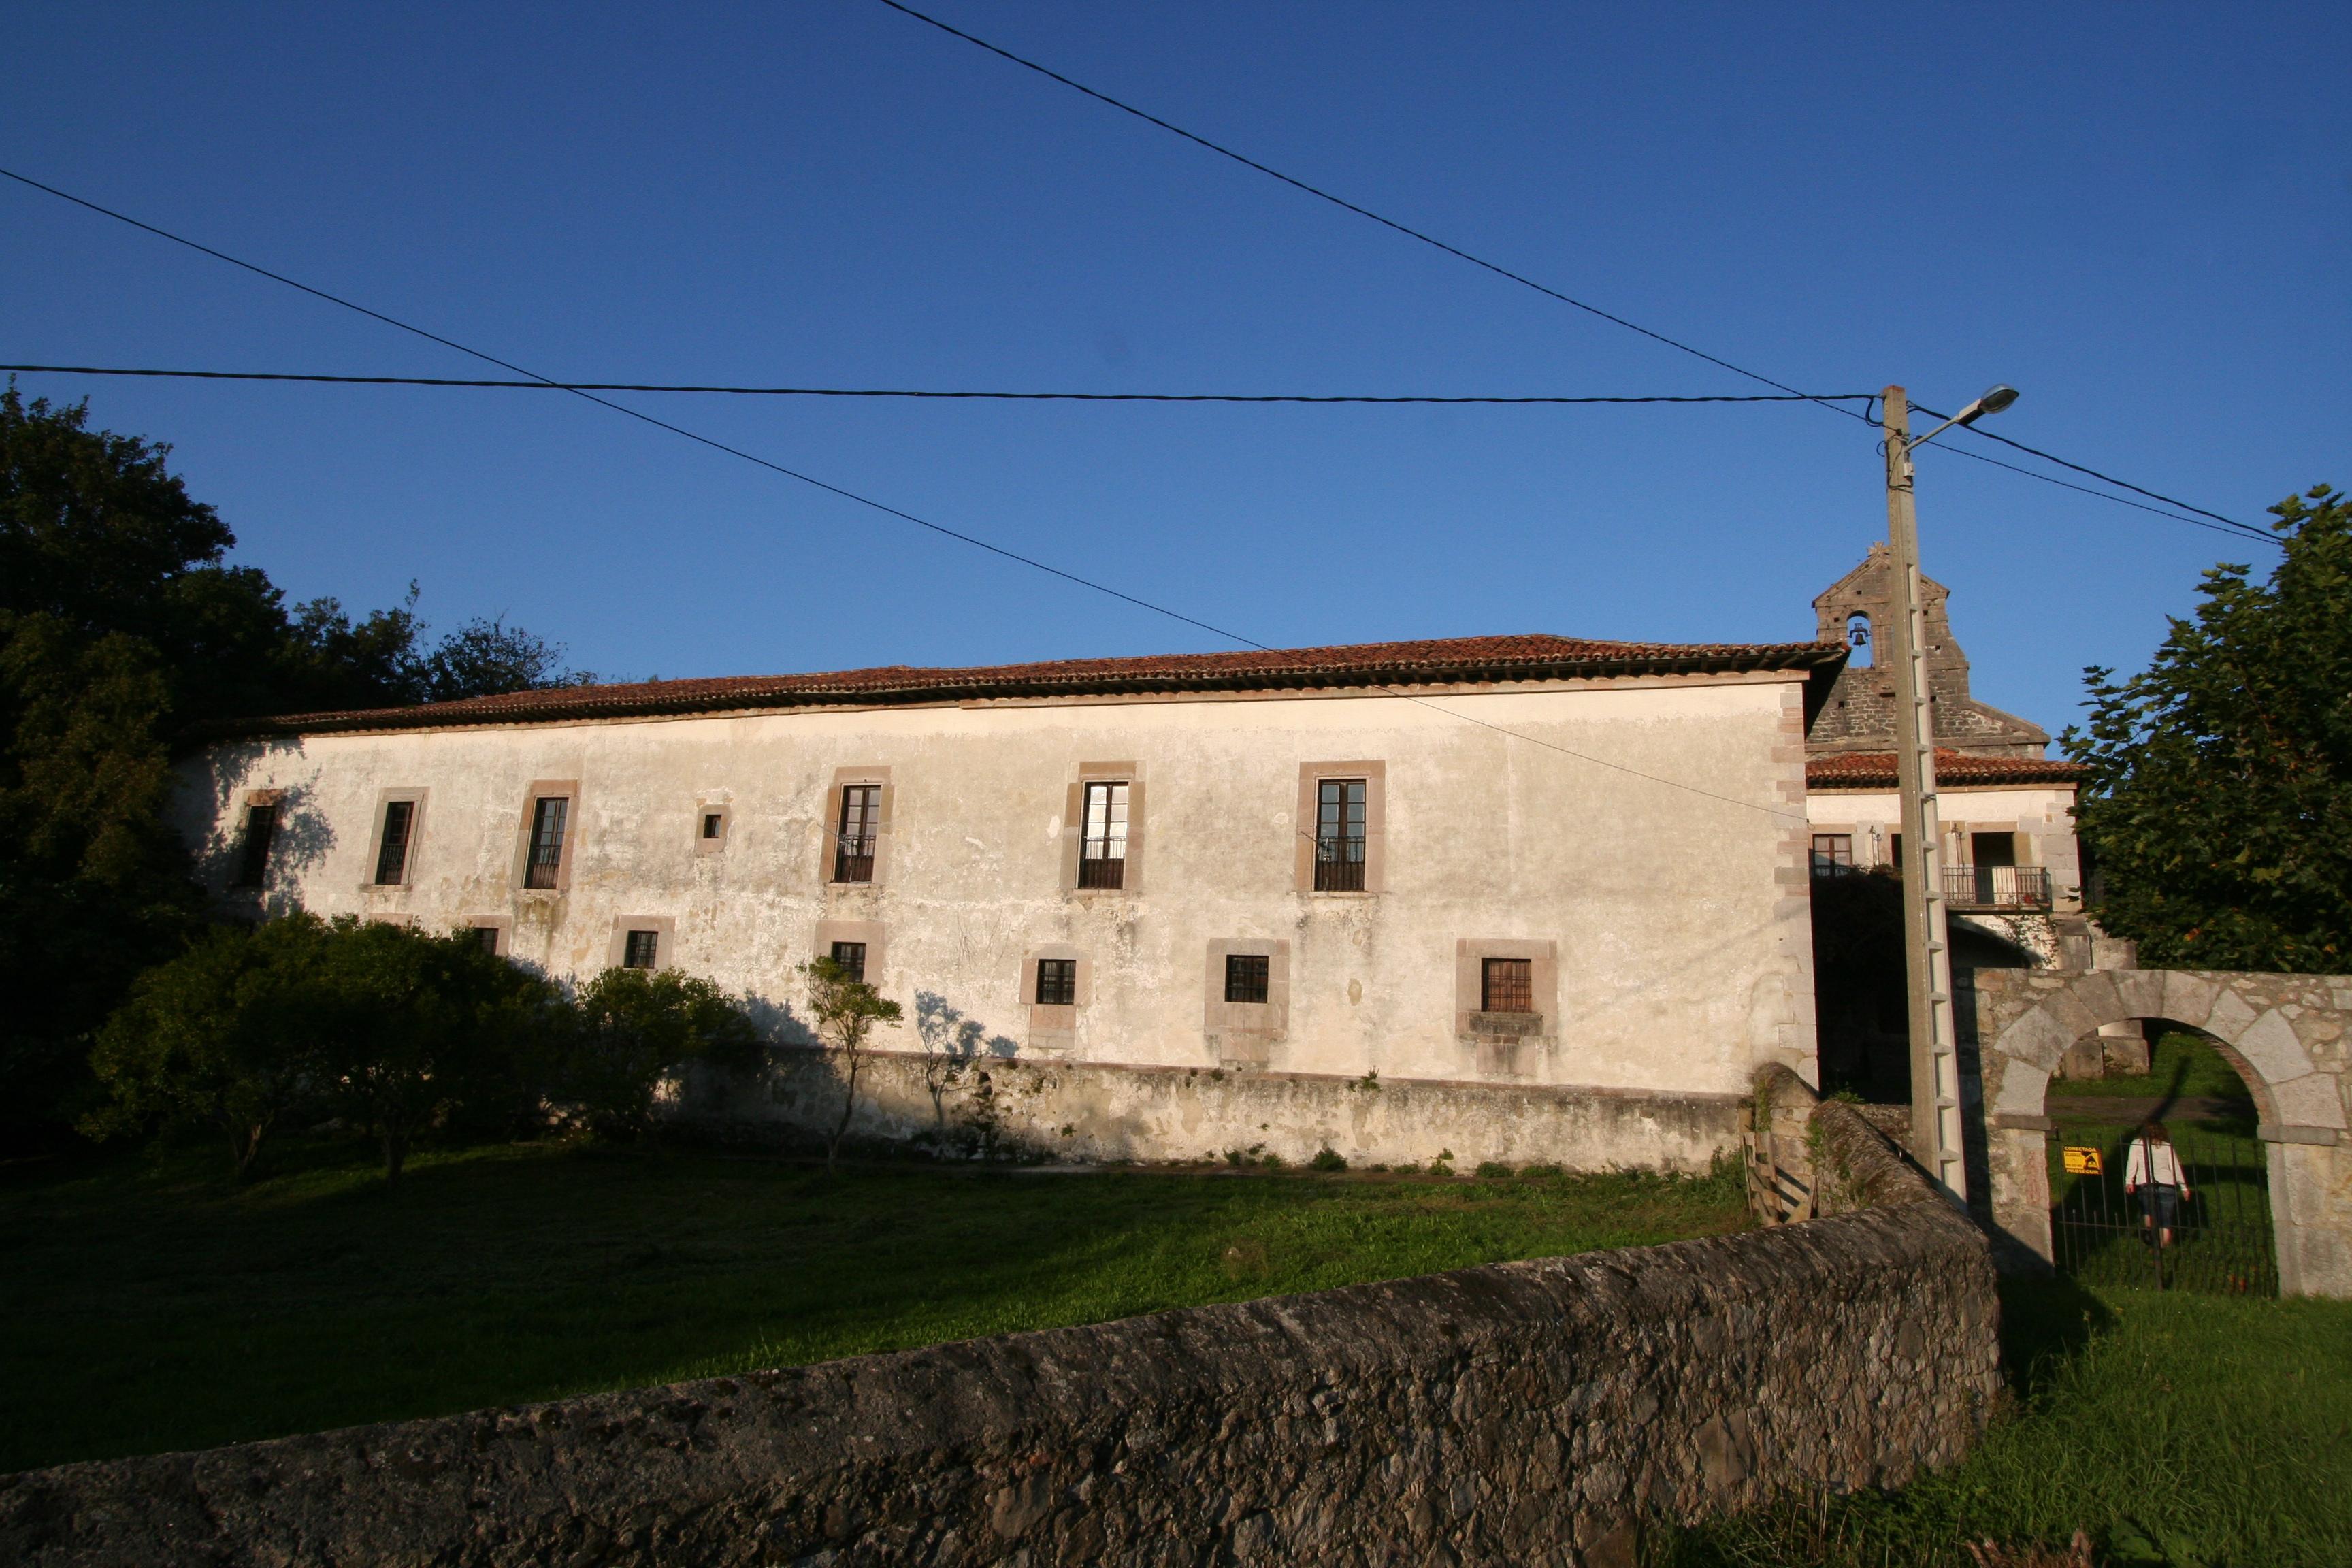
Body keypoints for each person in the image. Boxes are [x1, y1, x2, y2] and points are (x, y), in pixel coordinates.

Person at [2123, 1121, 2190, 1247]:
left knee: (2147, 1210)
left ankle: (2151, 1234)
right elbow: (2175, 1167)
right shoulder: (2166, 1146)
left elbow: (2132, 1164)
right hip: (2167, 1184)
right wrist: (2184, 1187)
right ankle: (2163, 1245)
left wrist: (2129, 1181)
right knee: (2166, 1217)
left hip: (2146, 1183)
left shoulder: (2137, 1144)